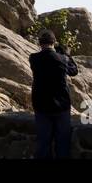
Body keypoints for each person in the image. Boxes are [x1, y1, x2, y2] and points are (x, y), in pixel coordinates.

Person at [29, 30, 78, 158]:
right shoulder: (62, 59)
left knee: (43, 144)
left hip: (41, 105)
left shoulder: (33, 58)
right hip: (61, 106)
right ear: (54, 42)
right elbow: (74, 71)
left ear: (40, 43)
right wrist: (66, 54)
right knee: (62, 144)